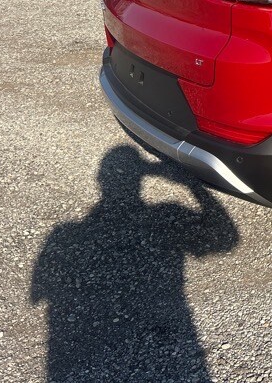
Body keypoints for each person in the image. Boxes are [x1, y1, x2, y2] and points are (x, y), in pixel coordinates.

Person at [31, 145, 239, 382]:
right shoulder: (165, 215)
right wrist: (193, 186)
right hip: (170, 334)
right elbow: (226, 239)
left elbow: (39, 294)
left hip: (85, 353)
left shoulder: (65, 235)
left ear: (99, 180)